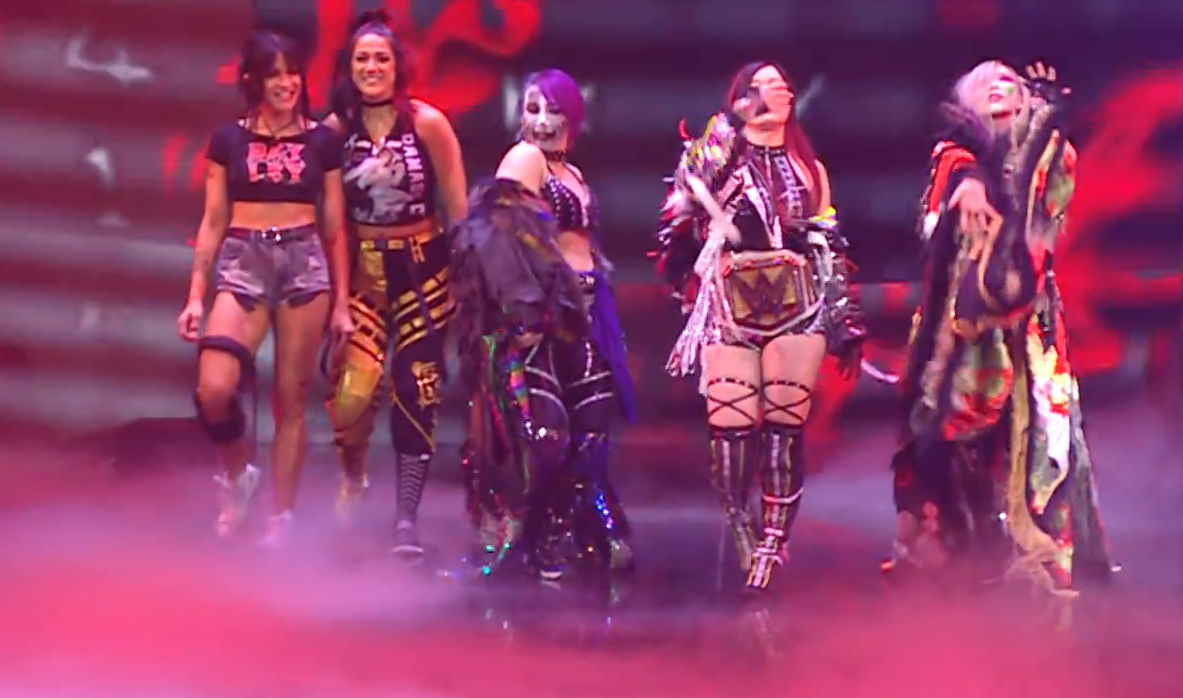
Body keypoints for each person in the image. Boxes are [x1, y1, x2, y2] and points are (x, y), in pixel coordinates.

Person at [889, 59, 1113, 611]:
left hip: (1028, 319)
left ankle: (1030, 551)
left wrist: (1043, 127)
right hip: (958, 322)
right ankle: (955, 544)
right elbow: (955, 181)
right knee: (951, 428)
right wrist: (969, 184)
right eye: (984, 81)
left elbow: (1048, 210)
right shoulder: (952, 156)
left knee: (1038, 435)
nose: (997, 84)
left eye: (1009, 80)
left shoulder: (1050, 153)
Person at [656, 62, 866, 596]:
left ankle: (774, 537)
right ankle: (739, 516)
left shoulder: (810, 169)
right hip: (730, 305)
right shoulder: (718, 157)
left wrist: (843, 318)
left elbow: (828, 243)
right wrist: (729, 125)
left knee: (782, 431)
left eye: (781, 86)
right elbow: (685, 193)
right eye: (760, 86)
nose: (773, 93)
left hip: (798, 306)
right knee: (730, 434)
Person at [452, 69, 635, 582]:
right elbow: (497, 238)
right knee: (545, 435)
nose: (542, 121)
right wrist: (525, 311)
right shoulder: (524, 159)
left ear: (573, 117)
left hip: (587, 313)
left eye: (553, 110)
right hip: (542, 317)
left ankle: (556, 533)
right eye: (532, 109)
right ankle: (525, 536)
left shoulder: (571, 171)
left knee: (590, 434)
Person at [180, 32, 353, 545]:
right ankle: (238, 477)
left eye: (293, 72)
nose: (287, 83)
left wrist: (342, 304)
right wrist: (195, 295)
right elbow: (213, 221)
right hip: (244, 259)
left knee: (290, 399)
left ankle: (282, 518)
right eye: (275, 74)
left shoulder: (323, 142)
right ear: (252, 80)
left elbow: (335, 228)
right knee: (214, 388)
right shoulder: (227, 140)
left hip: (304, 262)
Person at [323, 11, 469, 560]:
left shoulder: (428, 124)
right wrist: (339, 300)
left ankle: (406, 517)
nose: (371, 67)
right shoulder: (335, 131)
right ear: (349, 65)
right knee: (352, 394)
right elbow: (333, 222)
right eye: (362, 58)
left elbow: (458, 210)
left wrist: (461, 281)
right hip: (363, 273)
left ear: (397, 65)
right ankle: (353, 475)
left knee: (416, 391)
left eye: (381, 58)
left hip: (423, 272)